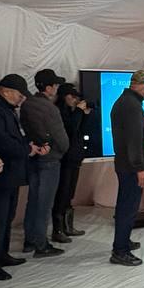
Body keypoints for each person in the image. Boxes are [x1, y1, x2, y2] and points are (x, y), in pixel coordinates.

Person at [0, 74, 41, 281]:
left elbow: (15, 137)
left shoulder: (5, 109)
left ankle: (2, 255)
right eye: (20, 95)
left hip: (11, 174)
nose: (22, 99)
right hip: (1, 175)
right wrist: (27, 149)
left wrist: (28, 145)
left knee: (6, 218)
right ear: (6, 91)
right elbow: (1, 142)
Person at [20, 68, 69, 257]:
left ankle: (29, 240)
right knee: (44, 203)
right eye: (55, 85)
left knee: (33, 200)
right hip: (50, 159)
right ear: (48, 88)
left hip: (33, 156)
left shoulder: (27, 104)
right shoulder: (49, 108)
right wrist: (62, 149)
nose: (56, 89)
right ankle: (41, 244)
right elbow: (61, 138)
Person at [109, 69, 144, 266]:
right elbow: (134, 141)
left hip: (127, 166)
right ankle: (120, 251)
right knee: (128, 208)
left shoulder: (128, 102)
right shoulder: (131, 105)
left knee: (126, 205)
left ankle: (123, 241)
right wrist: (140, 168)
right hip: (131, 168)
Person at [54, 82, 94, 238]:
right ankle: (58, 229)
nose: (75, 100)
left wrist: (85, 114)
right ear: (65, 97)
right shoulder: (59, 112)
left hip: (75, 158)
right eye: (72, 96)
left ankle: (67, 227)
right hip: (65, 160)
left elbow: (81, 130)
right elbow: (70, 129)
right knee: (62, 193)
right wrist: (78, 111)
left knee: (69, 193)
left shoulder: (73, 112)